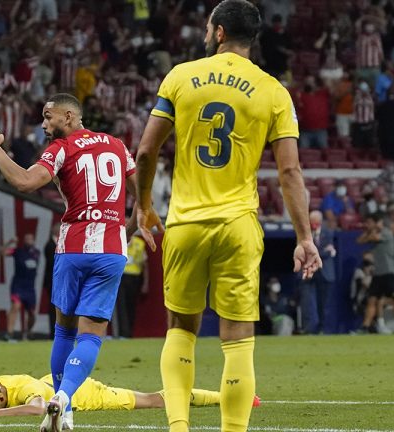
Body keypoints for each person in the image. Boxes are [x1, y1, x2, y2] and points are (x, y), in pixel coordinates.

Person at [133, 2, 321, 431]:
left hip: (185, 223)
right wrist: (304, 237)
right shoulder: (274, 91)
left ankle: (178, 426)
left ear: (218, 32)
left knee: (180, 328)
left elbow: (146, 151)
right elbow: (289, 172)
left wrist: (143, 206)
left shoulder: (180, 76)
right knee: (238, 339)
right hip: (238, 224)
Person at [0, 92, 138, 432]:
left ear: (68, 118)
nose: (44, 123)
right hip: (111, 250)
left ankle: (65, 412)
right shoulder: (117, 145)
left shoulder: (61, 149)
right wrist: (132, 228)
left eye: (48, 117)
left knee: (64, 330)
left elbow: (24, 181)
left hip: (73, 248)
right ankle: (64, 400)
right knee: (92, 335)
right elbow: (141, 188)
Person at [0, 374, 229, 418]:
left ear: (0, 395)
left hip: (81, 392)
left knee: (150, 400)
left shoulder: (24, 389)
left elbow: (38, 409)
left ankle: (225, 397)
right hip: (56, 378)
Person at [0, 233, 40, 341]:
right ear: (24, 241)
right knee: (15, 306)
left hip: (30, 287)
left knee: (31, 313)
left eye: (30, 239)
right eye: (26, 239)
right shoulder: (17, 251)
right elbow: (1, 252)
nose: (28, 240)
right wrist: (10, 242)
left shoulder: (36, 253)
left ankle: (28, 331)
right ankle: (9, 333)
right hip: (18, 285)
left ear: (33, 241)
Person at [116, 232, 147, 338]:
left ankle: (128, 334)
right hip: (120, 277)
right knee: (121, 306)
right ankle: (122, 334)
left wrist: (145, 283)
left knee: (131, 306)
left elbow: (144, 264)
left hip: (134, 278)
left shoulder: (139, 243)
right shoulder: (117, 240)